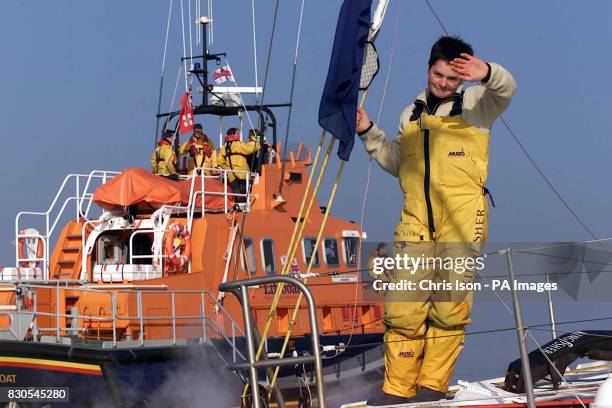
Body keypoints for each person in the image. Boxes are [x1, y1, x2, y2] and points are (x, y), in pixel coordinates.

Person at [355, 36, 516, 406]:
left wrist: (487, 72)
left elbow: (507, 90)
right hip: (414, 218)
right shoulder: (410, 114)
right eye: (438, 74)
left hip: (463, 219)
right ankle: (397, 390)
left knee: (449, 307)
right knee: (402, 309)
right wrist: (368, 131)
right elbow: (399, 163)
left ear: (463, 79)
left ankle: (432, 386)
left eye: (452, 78)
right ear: (428, 69)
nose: (443, 83)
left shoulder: (477, 104)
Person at [218, 128, 259, 200]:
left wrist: (227, 168)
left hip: (231, 175)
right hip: (242, 173)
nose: (239, 135)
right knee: (245, 193)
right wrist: (258, 144)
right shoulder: (238, 144)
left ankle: (237, 204)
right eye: (237, 134)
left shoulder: (224, 147)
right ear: (233, 135)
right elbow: (248, 149)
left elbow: (220, 161)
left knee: (236, 193)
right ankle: (243, 205)